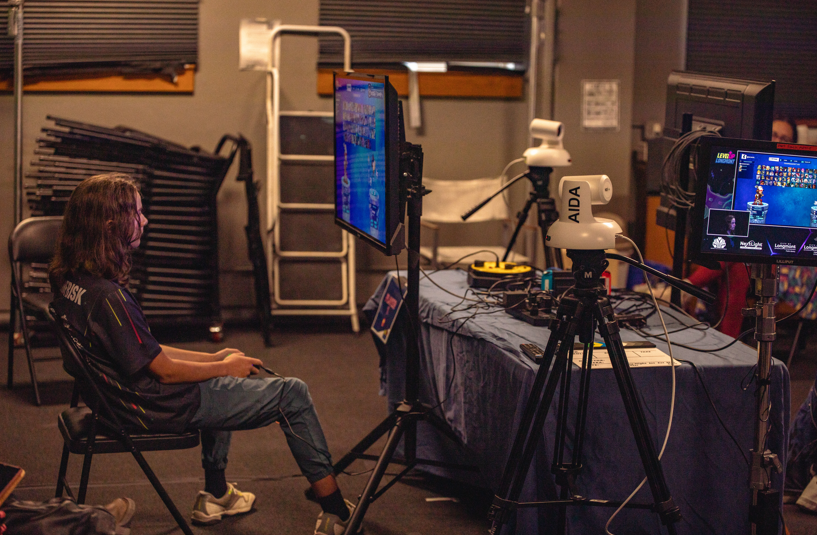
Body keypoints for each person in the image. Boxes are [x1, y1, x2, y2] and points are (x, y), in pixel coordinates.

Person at [49, 173, 354, 535]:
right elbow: (164, 372)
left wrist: (214, 361)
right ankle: (336, 513)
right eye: (138, 213)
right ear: (111, 225)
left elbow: (145, 352)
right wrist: (221, 368)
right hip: (152, 406)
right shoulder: (110, 298)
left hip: (115, 401)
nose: (145, 220)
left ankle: (216, 494)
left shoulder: (71, 281)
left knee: (222, 373)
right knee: (293, 394)